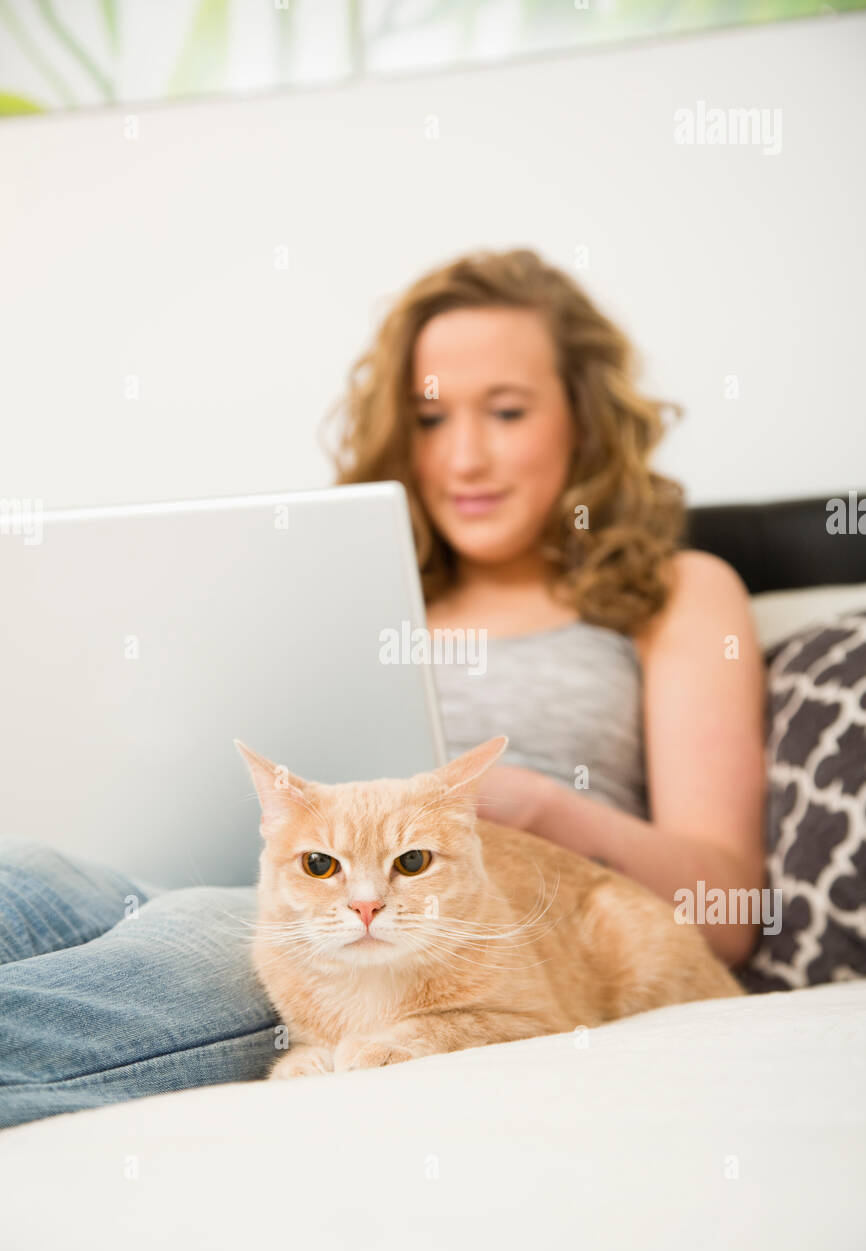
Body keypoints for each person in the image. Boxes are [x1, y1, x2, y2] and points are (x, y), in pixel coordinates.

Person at [0, 249, 766, 1131]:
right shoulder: (342, 578)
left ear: (585, 420)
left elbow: (729, 908)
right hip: (247, 873)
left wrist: (540, 808)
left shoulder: (678, 589)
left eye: (507, 412)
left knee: (181, 952)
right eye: (431, 418)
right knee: (26, 872)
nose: (466, 457)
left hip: (410, 930)